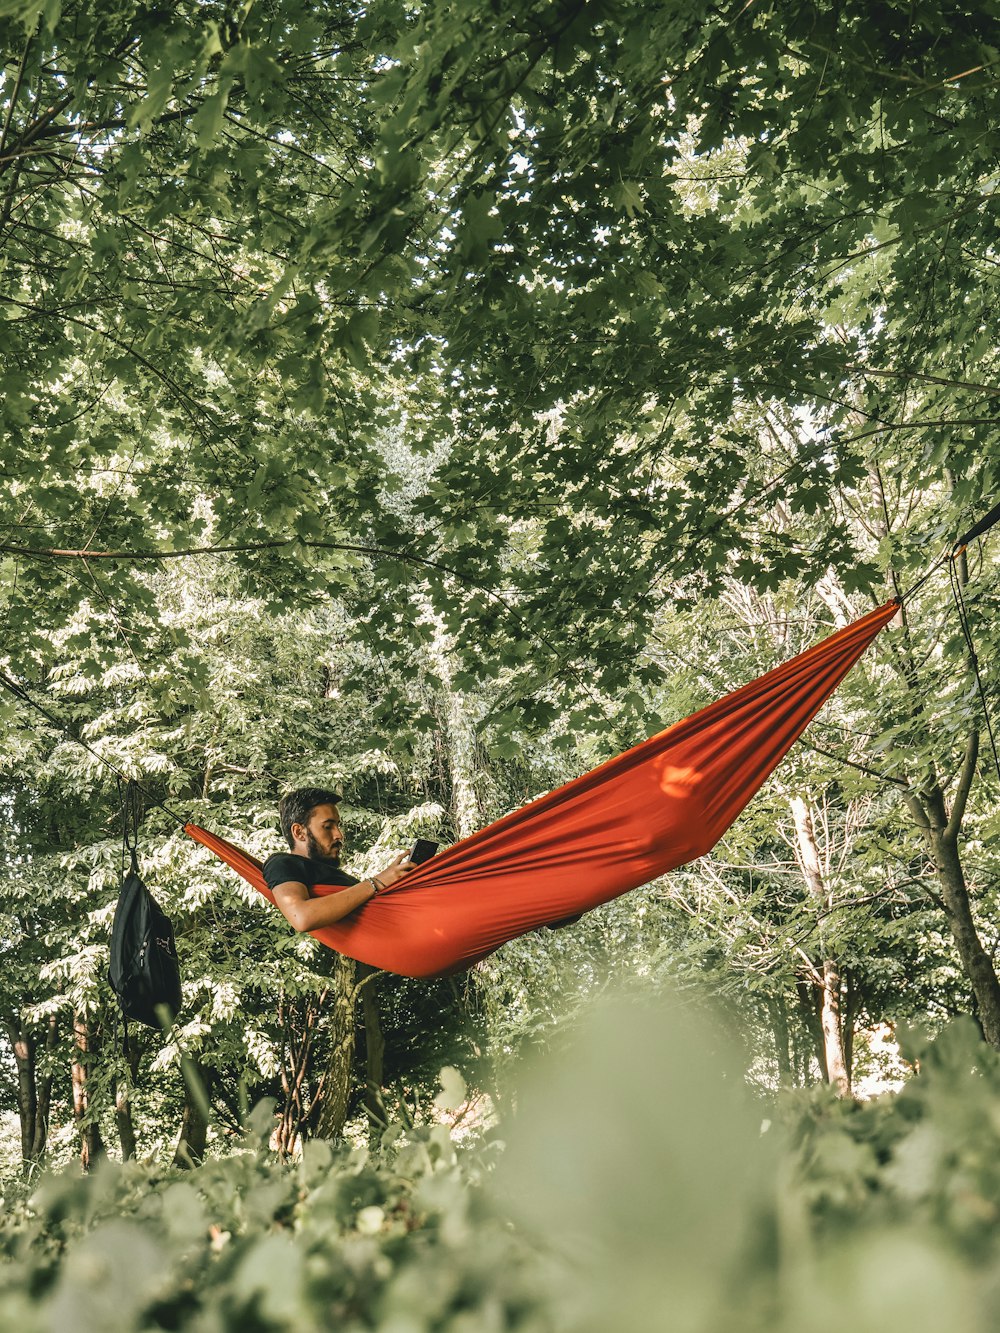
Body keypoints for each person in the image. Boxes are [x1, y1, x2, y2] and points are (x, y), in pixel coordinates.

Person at [262, 786, 414, 933]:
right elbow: (301, 917)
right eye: (328, 827)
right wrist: (376, 883)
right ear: (299, 832)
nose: (339, 835)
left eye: (338, 826)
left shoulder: (335, 878)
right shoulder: (282, 863)